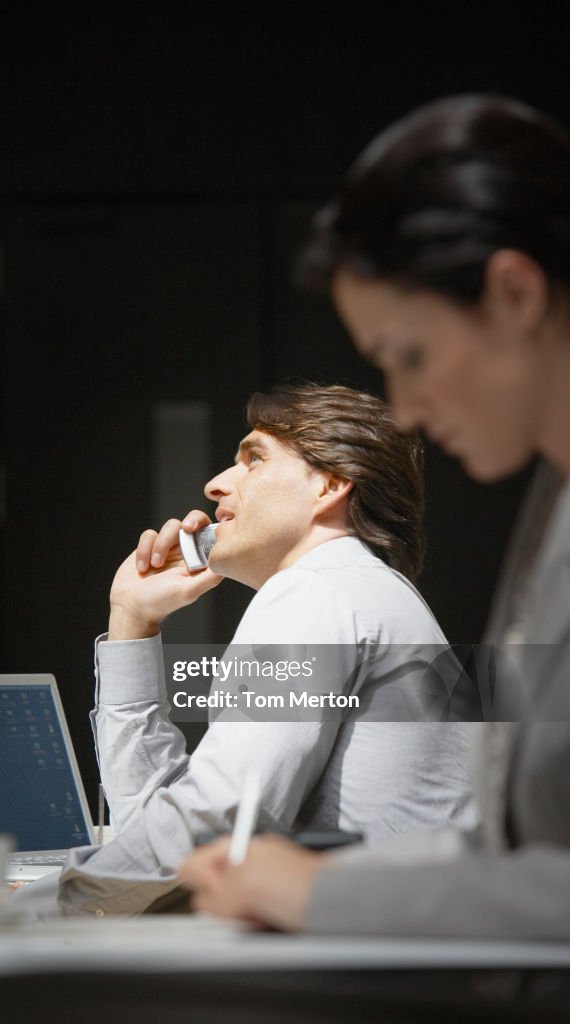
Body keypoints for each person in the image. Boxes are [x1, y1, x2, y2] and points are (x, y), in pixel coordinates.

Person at [179, 93, 570, 940]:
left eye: (411, 356)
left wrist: (317, 893)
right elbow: (516, 848)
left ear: (513, 294)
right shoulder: (552, 507)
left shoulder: (321, 590)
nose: (410, 410)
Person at [19, 382, 475, 916]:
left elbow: (217, 820)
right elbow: (160, 832)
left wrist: (28, 909)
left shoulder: (317, 589)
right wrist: (132, 621)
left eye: (253, 459)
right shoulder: (355, 589)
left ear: (329, 484)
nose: (214, 486)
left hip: (362, 975)